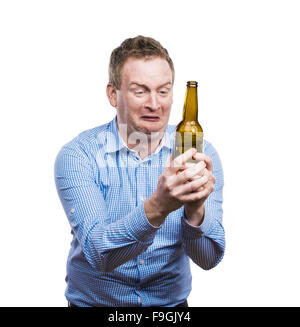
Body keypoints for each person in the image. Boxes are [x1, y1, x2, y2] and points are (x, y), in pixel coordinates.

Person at [54, 35, 225, 307]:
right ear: (113, 94)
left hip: (170, 310)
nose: (154, 104)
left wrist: (195, 212)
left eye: (163, 90)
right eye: (140, 90)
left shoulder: (199, 153)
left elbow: (209, 259)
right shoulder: (79, 155)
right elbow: (100, 254)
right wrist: (158, 207)